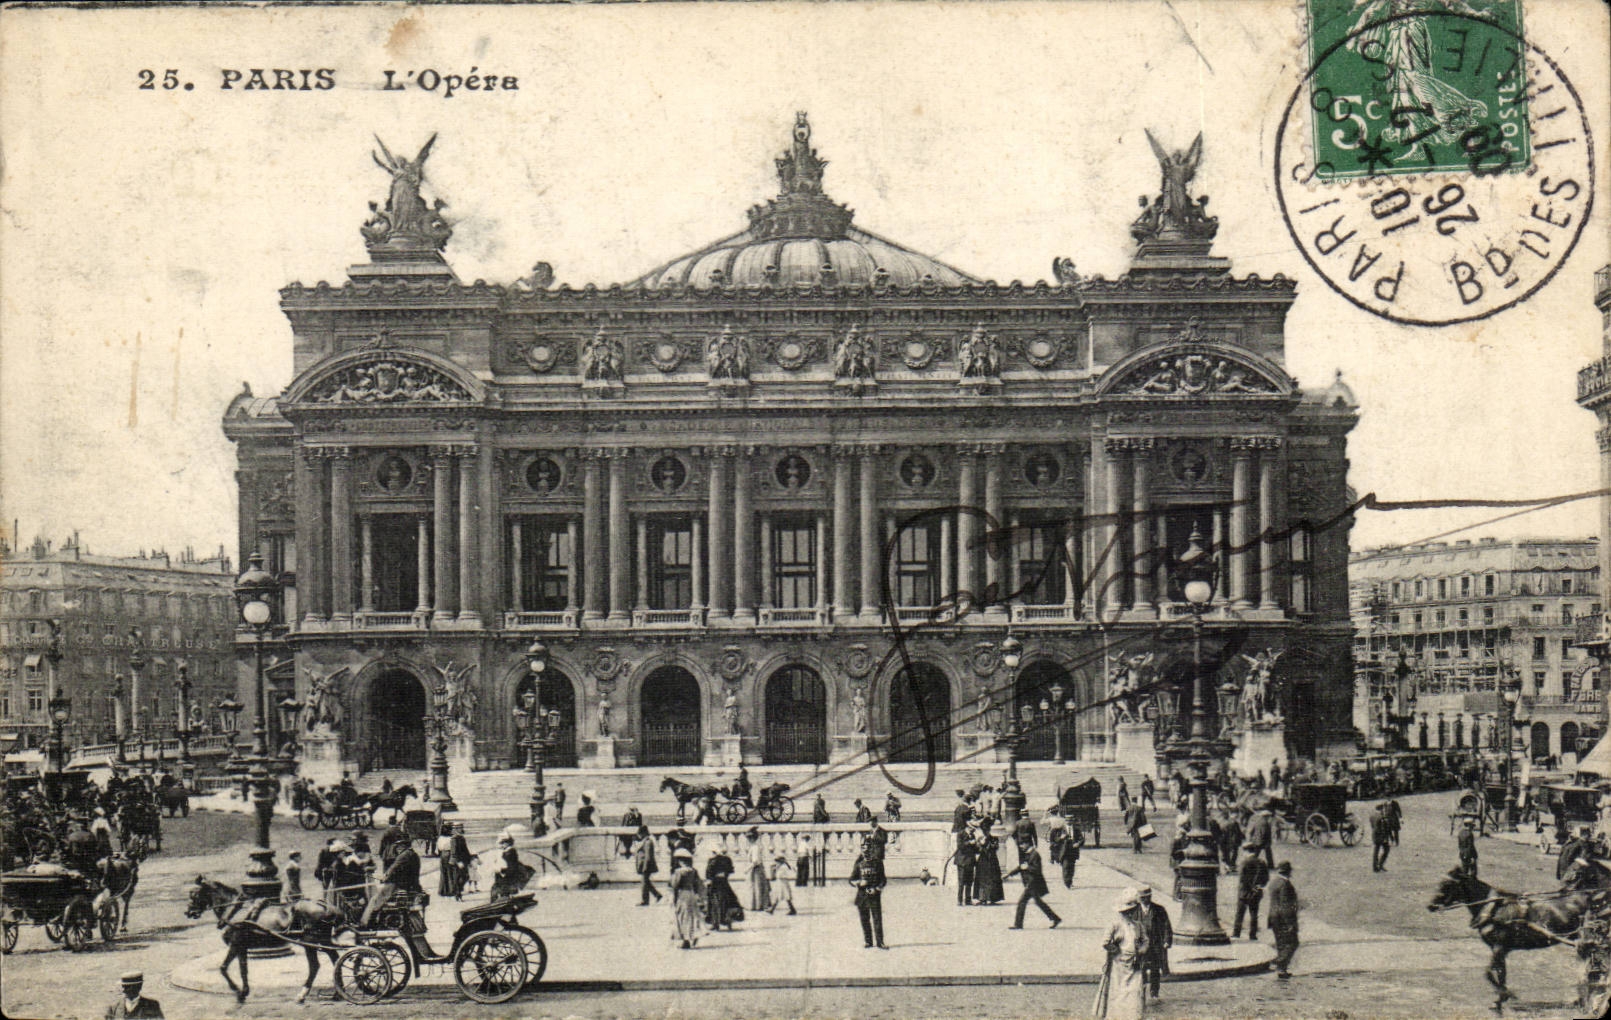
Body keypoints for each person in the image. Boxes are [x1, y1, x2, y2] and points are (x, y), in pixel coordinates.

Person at [1097, 888, 1149, 1020]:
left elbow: (1145, 941)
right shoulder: (1115, 924)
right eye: (1127, 911)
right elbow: (1105, 942)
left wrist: (1141, 951)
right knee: (1119, 993)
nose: (1129, 914)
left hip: (1135, 964)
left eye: (1132, 911)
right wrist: (1117, 952)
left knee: (1135, 991)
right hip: (1118, 966)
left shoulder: (1138, 926)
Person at [360, 839, 420, 927]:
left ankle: (369, 922)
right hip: (410, 883)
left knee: (375, 899)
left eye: (399, 846)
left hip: (399, 884)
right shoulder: (413, 854)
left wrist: (385, 877)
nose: (397, 848)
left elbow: (393, 867)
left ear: (404, 846)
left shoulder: (404, 855)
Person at [1006, 834, 1061, 930]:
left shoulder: (1035, 854)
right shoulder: (1028, 854)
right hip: (1031, 883)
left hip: (1033, 883)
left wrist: (1027, 867)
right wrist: (1009, 874)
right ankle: (1055, 918)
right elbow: (1021, 867)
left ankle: (1018, 924)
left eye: (1022, 844)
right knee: (1039, 902)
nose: (1021, 846)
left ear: (1028, 843)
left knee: (1022, 902)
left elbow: (1037, 869)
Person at [1137, 887, 1173, 1001]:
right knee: (1140, 969)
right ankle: (1141, 991)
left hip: (1155, 945)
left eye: (1146, 897)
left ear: (1150, 897)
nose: (1144, 900)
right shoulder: (1135, 911)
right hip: (1141, 946)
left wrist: (1167, 940)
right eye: (1142, 898)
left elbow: (1167, 926)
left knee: (1155, 969)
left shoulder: (1159, 910)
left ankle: (1154, 992)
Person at [850, 840, 887, 948]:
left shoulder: (878, 863)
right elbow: (851, 879)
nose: (866, 851)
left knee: (877, 919)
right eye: (863, 849)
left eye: (868, 849)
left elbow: (883, 880)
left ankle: (880, 942)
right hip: (862, 896)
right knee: (864, 920)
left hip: (874, 895)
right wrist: (859, 883)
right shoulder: (859, 864)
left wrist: (877, 889)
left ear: (872, 850)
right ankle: (868, 941)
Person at [1266, 860, 1300, 979]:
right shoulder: (1285, 884)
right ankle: (1279, 962)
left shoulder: (1273, 882)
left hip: (1273, 917)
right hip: (1283, 918)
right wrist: (1290, 923)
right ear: (1288, 872)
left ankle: (1282, 970)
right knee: (1292, 943)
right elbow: (1285, 905)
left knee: (1281, 943)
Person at [668, 848, 705, 949]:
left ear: (681, 861)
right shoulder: (693, 871)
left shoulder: (679, 872)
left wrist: (673, 898)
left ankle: (686, 940)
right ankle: (694, 935)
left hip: (682, 895)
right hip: (691, 894)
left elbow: (674, 885)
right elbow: (699, 885)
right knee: (692, 916)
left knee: (682, 917)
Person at [1232, 850, 1270, 940]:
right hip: (1256, 893)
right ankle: (1253, 934)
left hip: (1244, 892)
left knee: (1239, 914)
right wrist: (1259, 886)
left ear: (1246, 851)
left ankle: (1236, 933)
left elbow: (1242, 878)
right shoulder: (1261, 862)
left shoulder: (1244, 862)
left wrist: (1249, 887)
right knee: (1254, 914)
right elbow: (1266, 877)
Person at [704, 846, 743, 930]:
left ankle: (715, 924)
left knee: (714, 904)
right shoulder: (727, 859)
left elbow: (708, 874)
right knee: (728, 902)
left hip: (715, 884)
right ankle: (728, 922)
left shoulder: (712, 860)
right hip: (724, 883)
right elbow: (730, 871)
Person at [972, 818, 1005, 904]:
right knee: (983, 879)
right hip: (984, 860)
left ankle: (991, 898)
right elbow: (976, 850)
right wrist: (980, 844)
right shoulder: (980, 839)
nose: (986, 831)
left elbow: (995, 847)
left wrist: (984, 844)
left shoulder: (993, 838)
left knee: (990, 878)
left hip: (990, 860)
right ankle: (983, 898)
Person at [632, 824, 663, 905]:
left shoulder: (648, 842)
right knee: (646, 883)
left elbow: (648, 856)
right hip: (645, 866)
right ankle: (657, 895)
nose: (639, 835)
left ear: (643, 833)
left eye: (639, 833)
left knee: (644, 883)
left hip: (646, 866)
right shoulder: (646, 841)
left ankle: (645, 900)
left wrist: (645, 867)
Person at [745, 827, 772, 912]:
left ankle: (758, 905)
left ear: (753, 838)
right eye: (748, 838)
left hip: (756, 869)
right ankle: (755, 905)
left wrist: (747, 869)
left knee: (757, 887)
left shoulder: (755, 847)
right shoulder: (753, 847)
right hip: (756, 869)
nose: (748, 840)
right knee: (755, 887)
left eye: (750, 838)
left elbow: (755, 861)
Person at [1242, 801, 1275, 868]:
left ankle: (1251, 863)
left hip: (1256, 840)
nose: (1269, 817)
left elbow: (1252, 830)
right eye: (1268, 816)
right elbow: (1263, 833)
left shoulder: (1258, 821)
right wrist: (1266, 841)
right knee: (1263, 853)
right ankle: (1270, 865)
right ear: (1266, 816)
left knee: (1258, 853)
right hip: (1262, 841)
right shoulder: (1265, 823)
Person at [955, 816, 979, 905]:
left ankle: (968, 900)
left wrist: (978, 845)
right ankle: (959, 900)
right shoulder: (960, 834)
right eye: (973, 829)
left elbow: (975, 850)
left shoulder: (972, 835)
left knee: (969, 882)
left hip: (970, 861)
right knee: (961, 882)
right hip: (962, 861)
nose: (973, 831)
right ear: (968, 827)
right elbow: (960, 846)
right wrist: (969, 843)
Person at [1371, 803, 1392, 872]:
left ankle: (1375, 867)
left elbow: (1372, 826)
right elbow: (1383, 828)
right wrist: (1385, 838)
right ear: (1381, 809)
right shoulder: (1381, 817)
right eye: (1383, 809)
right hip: (1381, 836)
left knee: (1376, 851)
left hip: (1375, 835)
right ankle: (1380, 864)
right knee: (1386, 850)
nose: (1384, 810)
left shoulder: (1372, 816)